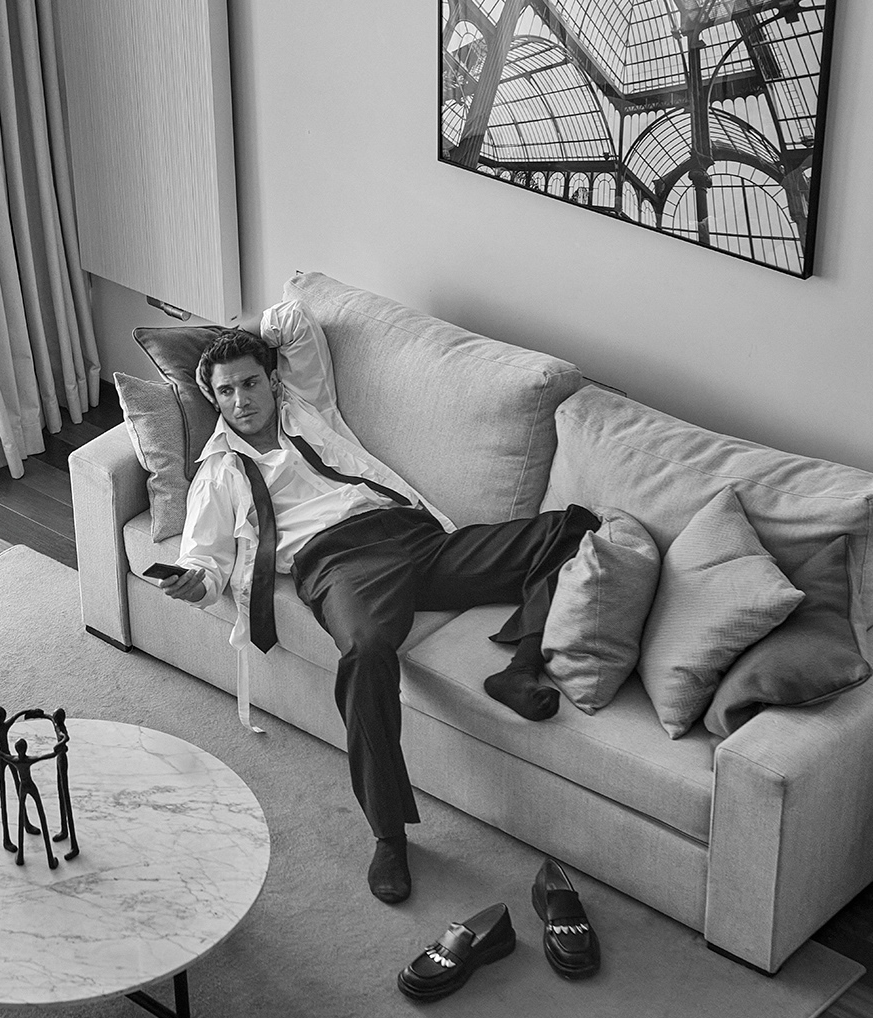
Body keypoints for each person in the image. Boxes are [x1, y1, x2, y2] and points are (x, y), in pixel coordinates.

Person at [160, 308, 598, 904]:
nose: (241, 400)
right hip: (340, 565)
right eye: (226, 391)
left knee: (571, 528)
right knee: (366, 653)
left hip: (415, 537)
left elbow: (292, 320)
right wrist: (194, 586)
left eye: (251, 382)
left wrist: (240, 337)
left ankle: (519, 668)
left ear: (273, 380)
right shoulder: (218, 475)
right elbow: (204, 563)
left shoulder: (307, 407)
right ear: (213, 399)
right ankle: (389, 835)